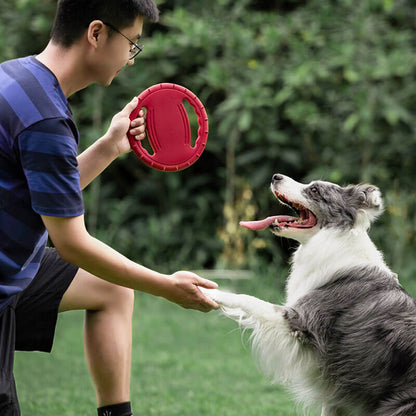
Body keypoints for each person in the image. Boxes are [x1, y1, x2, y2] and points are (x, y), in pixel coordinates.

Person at [0, 1, 220, 415]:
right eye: (131, 43)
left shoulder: (17, 76)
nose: (131, 59)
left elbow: (42, 194)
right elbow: (73, 244)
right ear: (96, 34)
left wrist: (108, 147)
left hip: (13, 273)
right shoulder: (45, 119)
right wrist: (165, 287)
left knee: (110, 287)